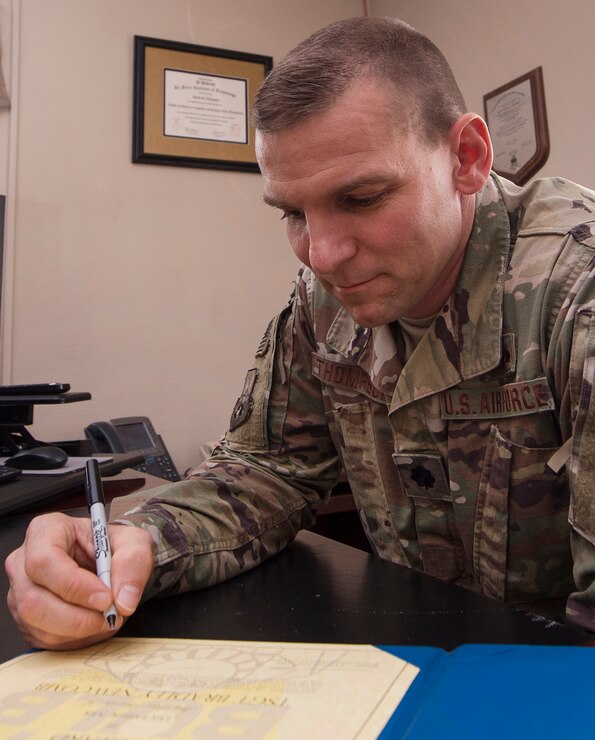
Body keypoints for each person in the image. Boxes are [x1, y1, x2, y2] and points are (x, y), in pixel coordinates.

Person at [5, 17, 595, 649]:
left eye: (362, 198)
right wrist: (138, 542)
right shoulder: (327, 298)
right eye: (292, 213)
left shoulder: (575, 293)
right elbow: (268, 467)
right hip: (409, 662)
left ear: (468, 159)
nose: (322, 254)